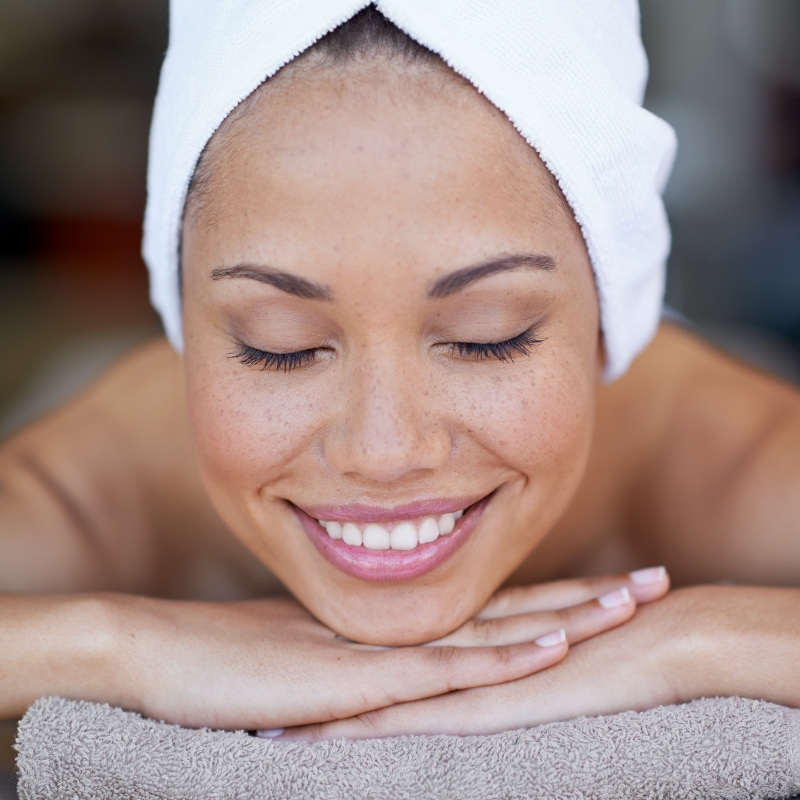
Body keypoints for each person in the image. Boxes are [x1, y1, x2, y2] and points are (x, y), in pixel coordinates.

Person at [1, 3, 799, 742]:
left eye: (490, 337)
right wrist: (120, 648)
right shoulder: (107, 486)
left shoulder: (731, 464)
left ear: (611, 315)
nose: (384, 451)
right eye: (279, 345)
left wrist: (693, 642)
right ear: (185, 324)